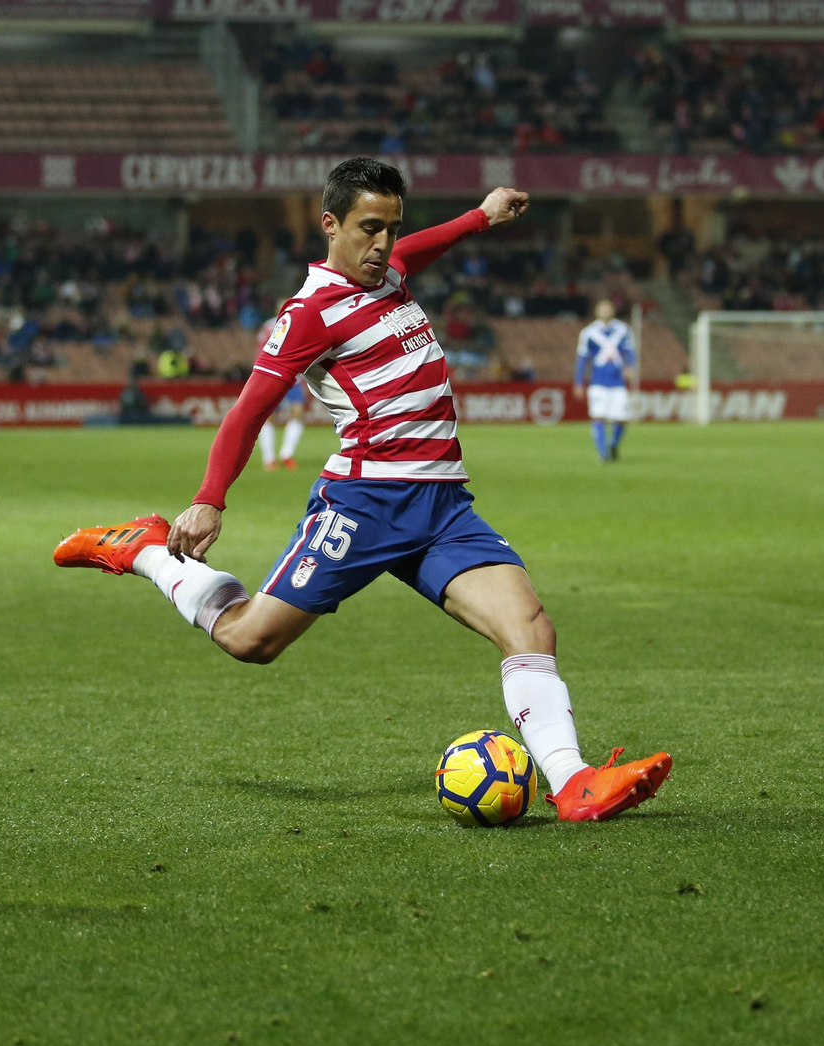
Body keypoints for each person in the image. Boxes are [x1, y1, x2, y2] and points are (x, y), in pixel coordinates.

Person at [55, 158, 670, 823]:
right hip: (365, 506)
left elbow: (414, 250)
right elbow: (248, 409)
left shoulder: (392, 271)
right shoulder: (309, 314)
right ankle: (146, 549)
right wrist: (210, 496)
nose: (382, 244)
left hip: (441, 507)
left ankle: (575, 783)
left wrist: (480, 218)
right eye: (368, 228)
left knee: (530, 627)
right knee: (250, 640)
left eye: (391, 228)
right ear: (330, 225)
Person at [573, 299, 637, 462]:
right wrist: (578, 381)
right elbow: (582, 358)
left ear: (613, 311)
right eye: (602, 309)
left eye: (608, 308)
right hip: (598, 382)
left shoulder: (622, 330)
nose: (606, 311)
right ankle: (603, 453)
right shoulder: (589, 332)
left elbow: (630, 351)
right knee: (598, 416)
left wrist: (630, 366)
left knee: (621, 418)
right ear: (596, 312)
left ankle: (613, 444)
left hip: (617, 382)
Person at [253, 316, 308, 472]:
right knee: (269, 416)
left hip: (294, 377)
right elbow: (261, 349)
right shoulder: (269, 326)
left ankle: (286, 454)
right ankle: (269, 458)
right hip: (273, 374)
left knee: (298, 411)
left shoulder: (302, 322)